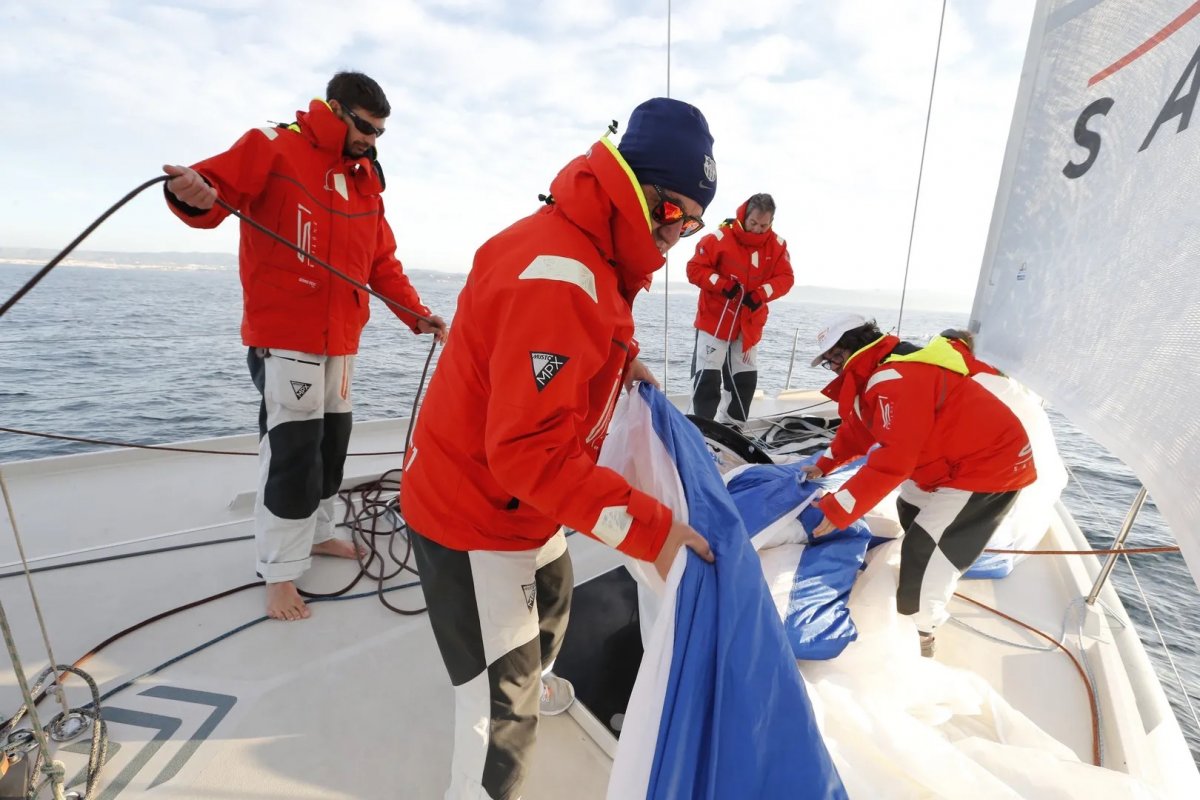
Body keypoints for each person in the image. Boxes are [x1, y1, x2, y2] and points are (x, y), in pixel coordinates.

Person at [399, 97, 717, 800]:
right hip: (476, 514)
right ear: (638, 191)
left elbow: (564, 349)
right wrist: (655, 533)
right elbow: (528, 455)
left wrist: (618, 361)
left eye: (694, 224)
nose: (679, 235)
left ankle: (531, 675)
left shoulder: (587, 247)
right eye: (674, 214)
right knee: (499, 716)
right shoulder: (561, 275)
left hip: (521, 505)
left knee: (553, 597)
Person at [162, 71, 447, 622]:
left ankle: (318, 534)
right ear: (335, 109)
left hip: (342, 340)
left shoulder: (365, 183)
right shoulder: (272, 146)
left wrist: (417, 315)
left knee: (331, 446)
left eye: (380, 132)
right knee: (292, 453)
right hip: (287, 338)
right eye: (365, 127)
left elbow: (382, 263)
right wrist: (189, 192)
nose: (372, 140)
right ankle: (278, 573)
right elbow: (211, 192)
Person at [803, 314, 1036, 657]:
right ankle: (936, 561)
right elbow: (860, 429)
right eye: (829, 361)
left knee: (924, 554)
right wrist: (824, 465)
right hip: (949, 462)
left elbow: (894, 461)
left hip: (987, 469)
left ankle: (923, 631)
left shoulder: (896, 378)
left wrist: (838, 508)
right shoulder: (878, 371)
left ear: (855, 347)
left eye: (835, 357)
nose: (834, 367)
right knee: (909, 505)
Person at [687, 193, 794, 423]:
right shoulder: (718, 239)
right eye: (753, 223)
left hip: (748, 325)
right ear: (744, 216)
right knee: (707, 380)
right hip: (715, 321)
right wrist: (722, 285)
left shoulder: (777, 246)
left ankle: (733, 429)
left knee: (744, 382)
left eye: (763, 226)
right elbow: (695, 269)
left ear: (771, 222)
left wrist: (761, 294)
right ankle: (702, 429)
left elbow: (785, 278)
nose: (757, 230)